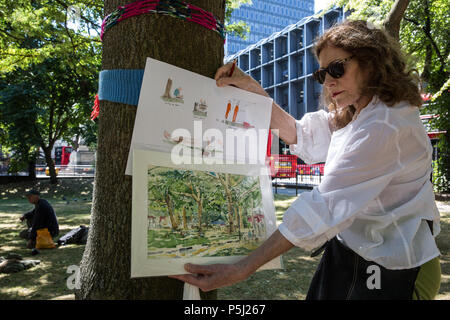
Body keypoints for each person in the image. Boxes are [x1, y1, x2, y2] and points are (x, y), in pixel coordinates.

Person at [170, 20, 442, 300]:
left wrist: (242, 267)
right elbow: (302, 134)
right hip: (354, 253)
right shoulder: (361, 110)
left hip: (395, 264)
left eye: (337, 68)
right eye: (322, 73)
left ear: (371, 61)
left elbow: (324, 206)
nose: (328, 81)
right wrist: (251, 88)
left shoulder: (385, 124)